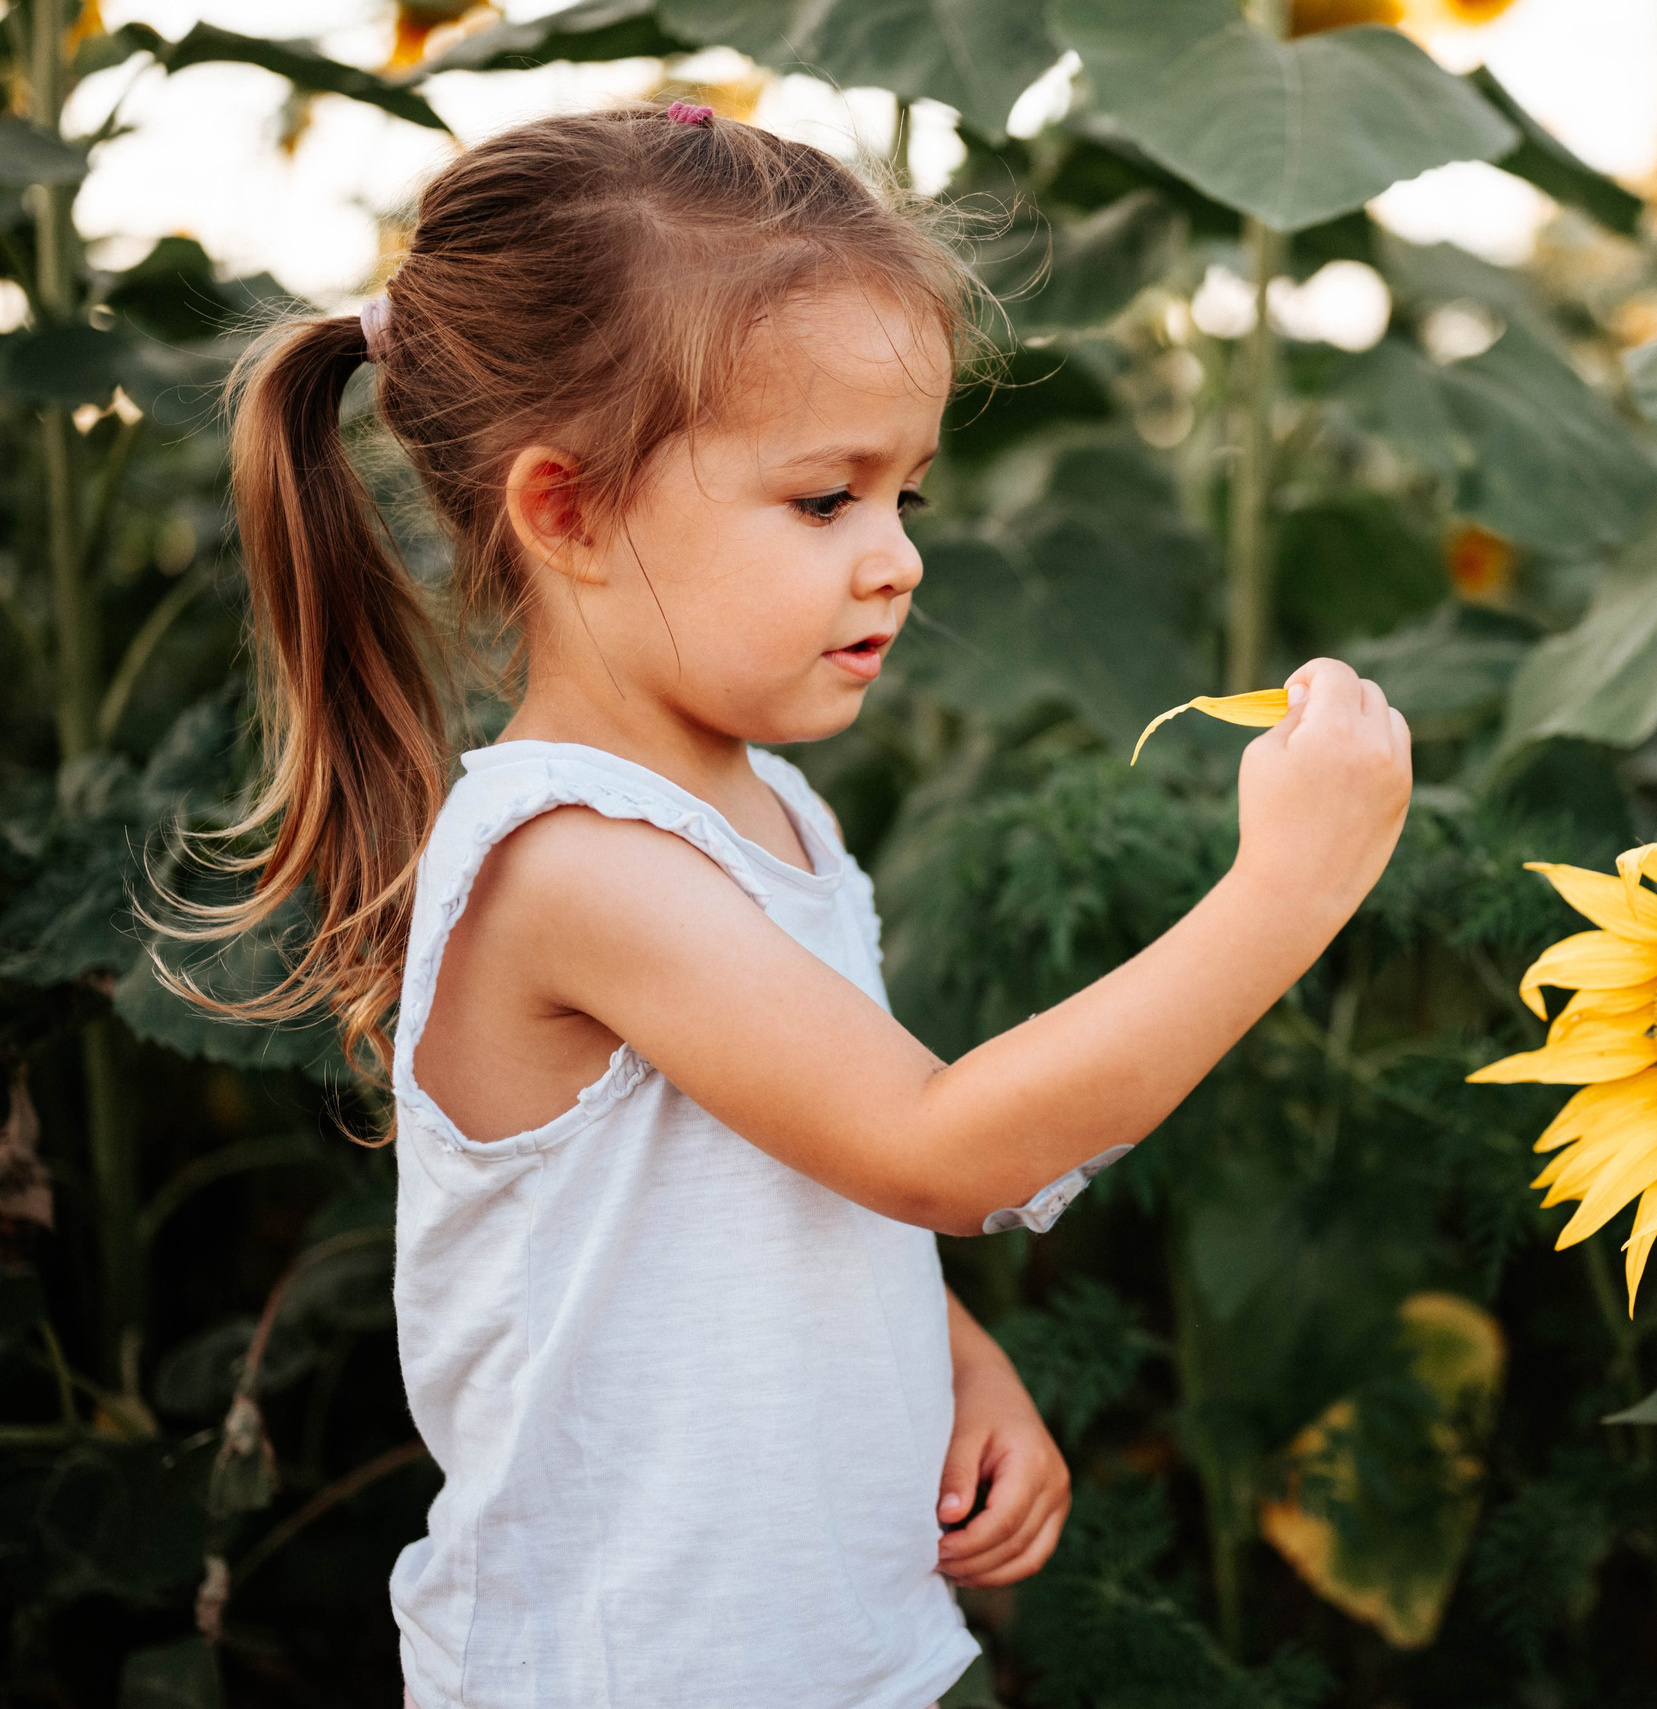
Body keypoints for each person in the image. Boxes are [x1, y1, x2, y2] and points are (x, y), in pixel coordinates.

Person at [197, 102, 1411, 1709]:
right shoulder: (579, 865)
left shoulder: (764, 808)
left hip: (844, 1645)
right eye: (826, 499)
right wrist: (1288, 891)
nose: (898, 556)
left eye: (907, 494)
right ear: (565, 511)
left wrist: (948, 1363)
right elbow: (938, 1146)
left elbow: (797, 1175)